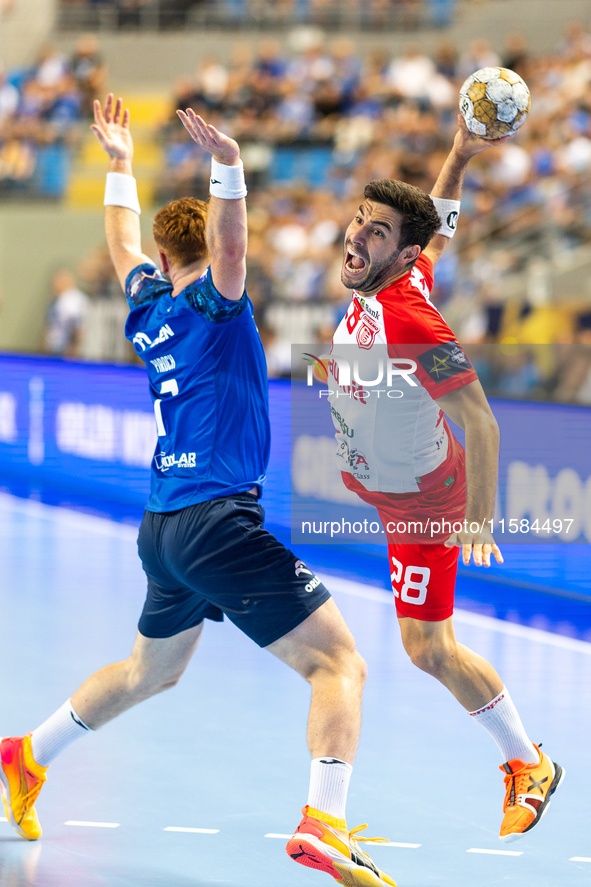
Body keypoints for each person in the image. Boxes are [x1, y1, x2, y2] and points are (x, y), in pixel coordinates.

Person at [0, 94, 396, 887]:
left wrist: (119, 163)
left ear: (160, 251)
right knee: (340, 664)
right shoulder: (216, 307)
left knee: (151, 670)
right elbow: (234, 241)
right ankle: (322, 822)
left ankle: (25, 754)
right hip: (217, 517)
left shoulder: (146, 307)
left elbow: (118, 242)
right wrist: (229, 166)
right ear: (206, 253)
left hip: (163, 525)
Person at [325, 115, 564, 844]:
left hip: (426, 501)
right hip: (393, 489)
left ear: (399, 255)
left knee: (428, 648)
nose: (356, 237)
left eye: (374, 233)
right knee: (420, 645)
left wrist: (478, 519)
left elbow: (482, 421)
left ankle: (528, 763)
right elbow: (441, 224)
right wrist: (459, 153)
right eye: (357, 222)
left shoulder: (412, 321)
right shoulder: (400, 271)